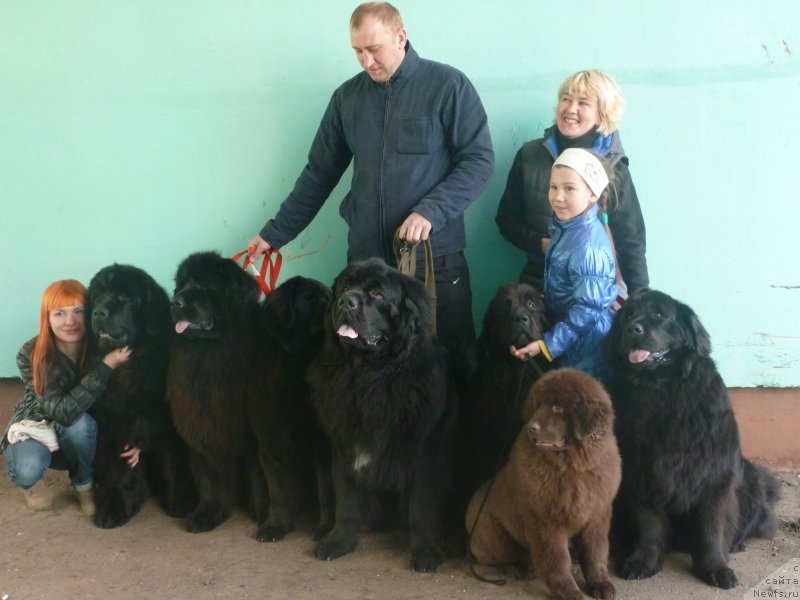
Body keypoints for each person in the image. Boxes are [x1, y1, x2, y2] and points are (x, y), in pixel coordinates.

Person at [248, 1, 494, 382]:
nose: (366, 61)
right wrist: (275, 233)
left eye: (374, 49)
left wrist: (430, 211)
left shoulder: (448, 86)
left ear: (401, 37)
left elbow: (478, 162)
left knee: (452, 361)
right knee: (366, 368)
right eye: (357, 51)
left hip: (435, 261)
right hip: (366, 266)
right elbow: (318, 175)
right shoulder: (346, 99)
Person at [496, 69, 647, 294]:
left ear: (602, 115)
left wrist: (640, 295)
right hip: (538, 283)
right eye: (565, 99)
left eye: (583, 103)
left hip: (595, 289)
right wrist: (544, 245)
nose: (570, 109)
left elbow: (630, 239)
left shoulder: (614, 165)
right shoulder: (529, 156)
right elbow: (506, 220)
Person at [1, 279, 132, 515]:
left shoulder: (102, 344)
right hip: (39, 421)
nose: (69, 321)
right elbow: (62, 412)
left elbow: (128, 396)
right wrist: (106, 367)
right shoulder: (31, 353)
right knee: (27, 468)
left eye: (78, 311)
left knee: (81, 425)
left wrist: (137, 439)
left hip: (83, 432)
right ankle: (31, 486)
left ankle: (83, 485)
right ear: (47, 318)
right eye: (59, 313)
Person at [510, 148, 618, 382]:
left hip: (588, 348)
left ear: (592, 194)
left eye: (569, 188)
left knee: (580, 401)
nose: (558, 197)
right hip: (573, 340)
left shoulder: (587, 246)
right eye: (553, 187)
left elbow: (587, 310)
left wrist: (548, 345)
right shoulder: (568, 228)